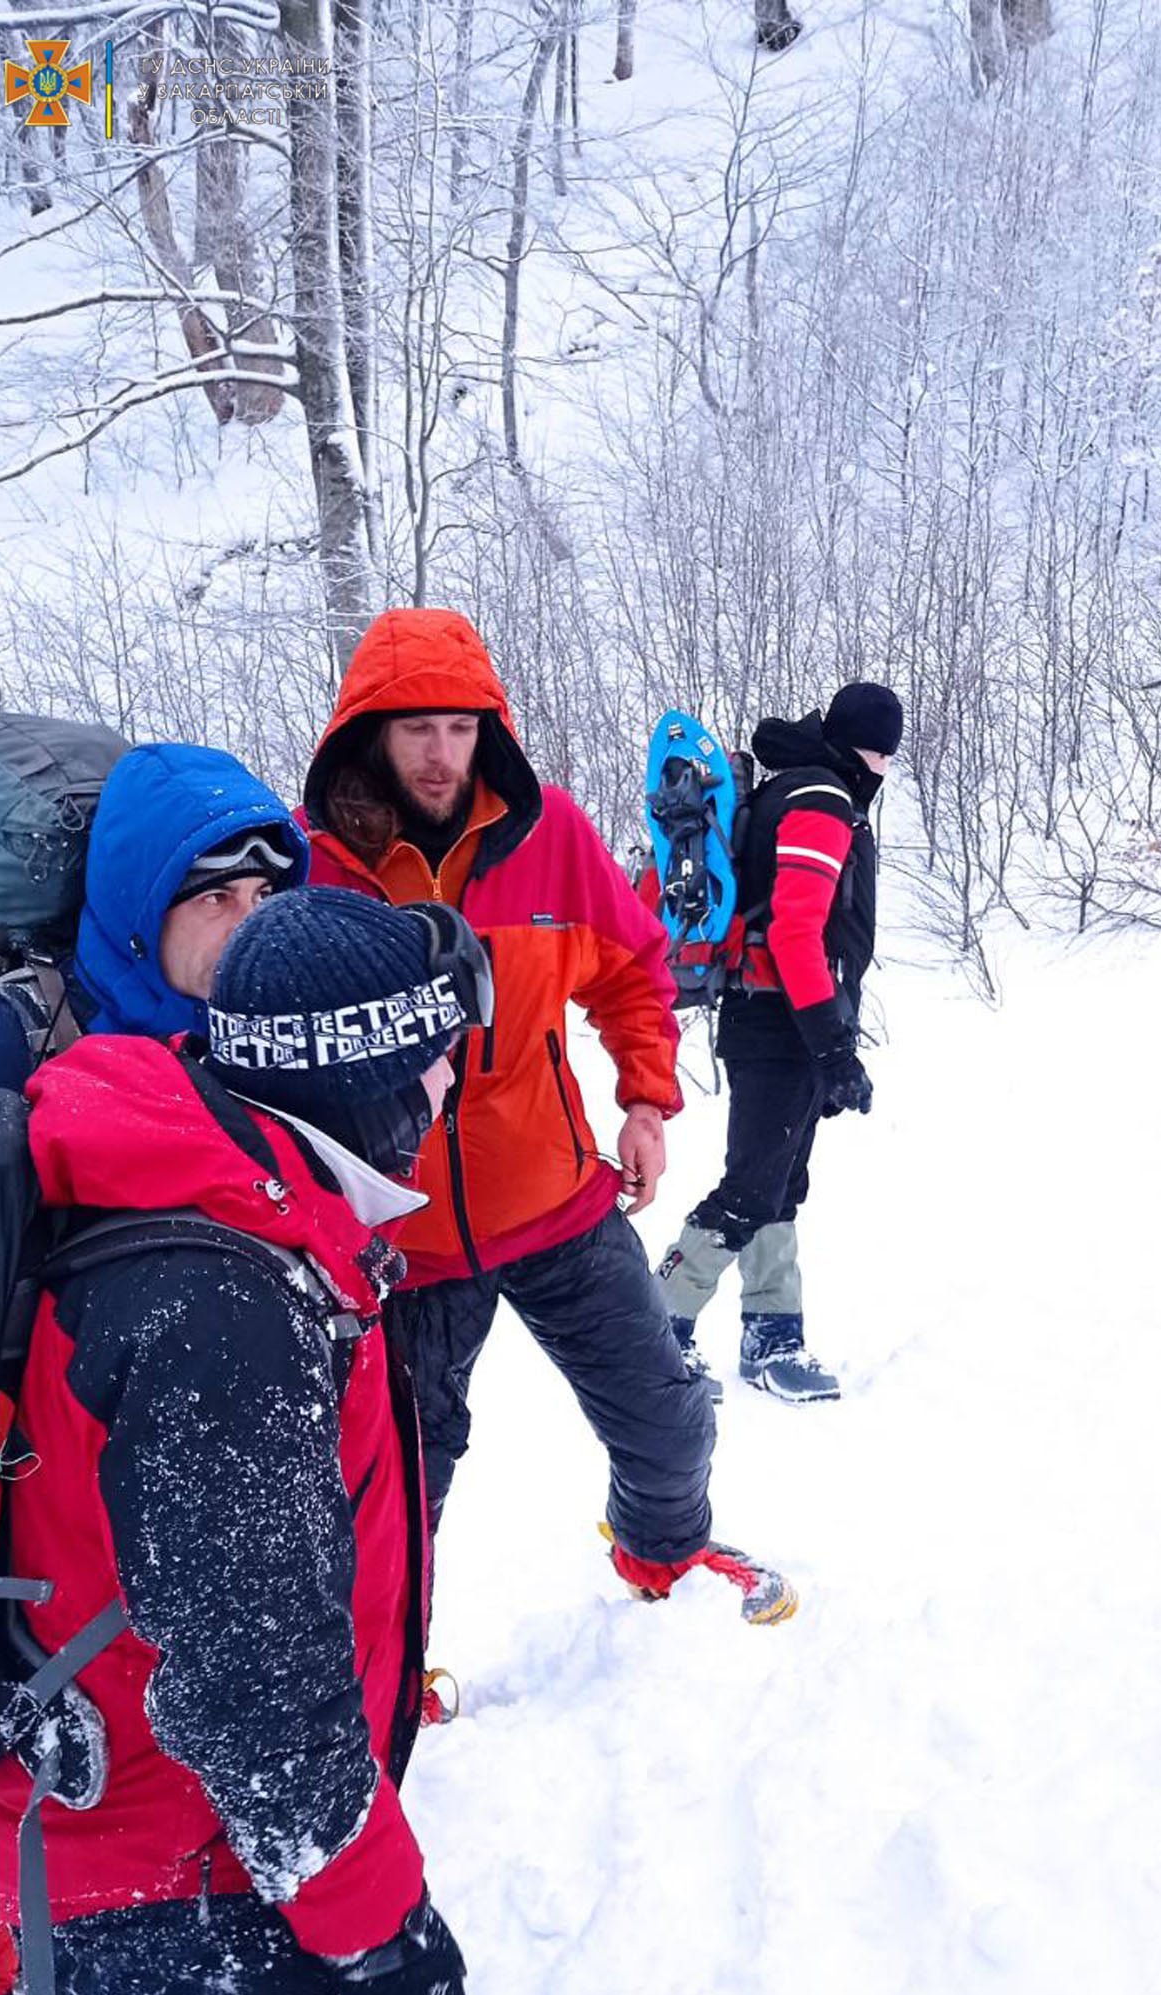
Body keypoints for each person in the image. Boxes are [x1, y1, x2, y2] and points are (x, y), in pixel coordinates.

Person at [0, 885, 484, 1995]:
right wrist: (381, 1931)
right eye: (442, 1056)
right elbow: (254, 1687)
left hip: (118, 1811)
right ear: (372, 1076)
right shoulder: (221, 1306)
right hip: (156, 1876)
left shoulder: (216, 1185)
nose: (452, 1083)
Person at [300, 606, 792, 1623]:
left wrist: (648, 1101)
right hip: (404, 1235)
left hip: (559, 1199)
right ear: (370, 733)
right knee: (400, 1478)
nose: (440, 754)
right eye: (415, 728)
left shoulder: (548, 833)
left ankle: (662, 1553)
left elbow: (630, 970)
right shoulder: (321, 869)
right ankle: (387, 1657)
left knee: (667, 1417)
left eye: (460, 726)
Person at [656, 681, 903, 1403]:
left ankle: (773, 1334)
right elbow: (796, 932)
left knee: (778, 1184)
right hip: (781, 1020)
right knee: (750, 1187)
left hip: (773, 1015)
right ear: (874, 751)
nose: (886, 771)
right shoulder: (821, 800)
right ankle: (655, 1331)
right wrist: (832, 1047)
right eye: (887, 755)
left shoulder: (793, 790)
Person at [0, 741, 308, 1091]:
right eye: (216, 898)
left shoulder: (279, 1033)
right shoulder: (2, 1041)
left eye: (262, 895)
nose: (250, 928)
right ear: (141, 910)